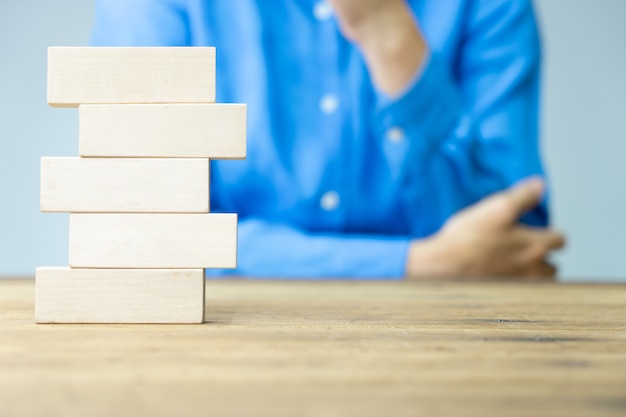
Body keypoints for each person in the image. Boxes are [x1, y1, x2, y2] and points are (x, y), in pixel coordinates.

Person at [91, 0, 565, 280]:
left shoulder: (491, 8)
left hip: (450, 353)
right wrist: (414, 264)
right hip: (214, 347)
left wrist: (390, 39)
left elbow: (510, 244)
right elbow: (139, 237)